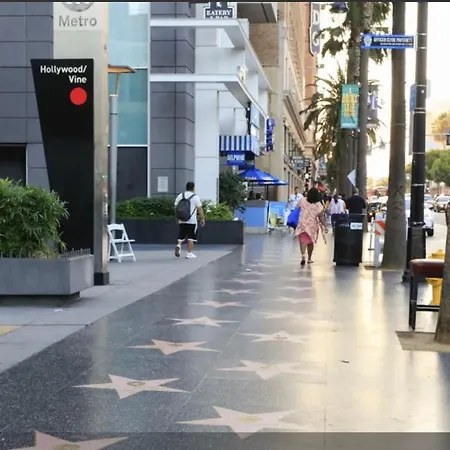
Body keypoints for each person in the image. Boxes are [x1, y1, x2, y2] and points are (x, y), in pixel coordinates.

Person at [295, 187, 327, 265]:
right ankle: (309, 258)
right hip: (312, 225)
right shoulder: (318, 205)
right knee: (310, 242)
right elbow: (321, 217)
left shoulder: (302, 200)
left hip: (302, 223)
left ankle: (303, 255)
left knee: (303, 240)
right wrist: (325, 226)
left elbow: (297, 208)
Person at [174, 181, 205, 259]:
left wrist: (177, 218)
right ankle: (189, 253)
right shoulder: (195, 197)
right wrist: (202, 219)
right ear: (193, 188)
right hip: (191, 220)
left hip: (181, 219)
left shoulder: (180, 195)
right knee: (191, 237)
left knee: (181, 234)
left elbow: (176, 207)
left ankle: (178, 245)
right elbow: (200, 209)